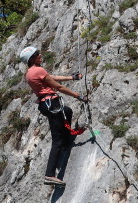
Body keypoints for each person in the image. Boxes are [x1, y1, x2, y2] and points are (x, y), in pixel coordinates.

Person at [19, 46, 88, 186]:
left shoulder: (30, 73)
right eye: (37, 54)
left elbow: (51, 78)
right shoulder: (38, 70)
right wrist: (78, 96)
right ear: (32, 58)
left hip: (47, 105)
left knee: (67, 111)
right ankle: (49, 175)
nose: (40, 55)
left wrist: (72, 77)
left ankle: (67, 139)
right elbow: (58, 87)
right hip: (51, 104)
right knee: (57, 140)